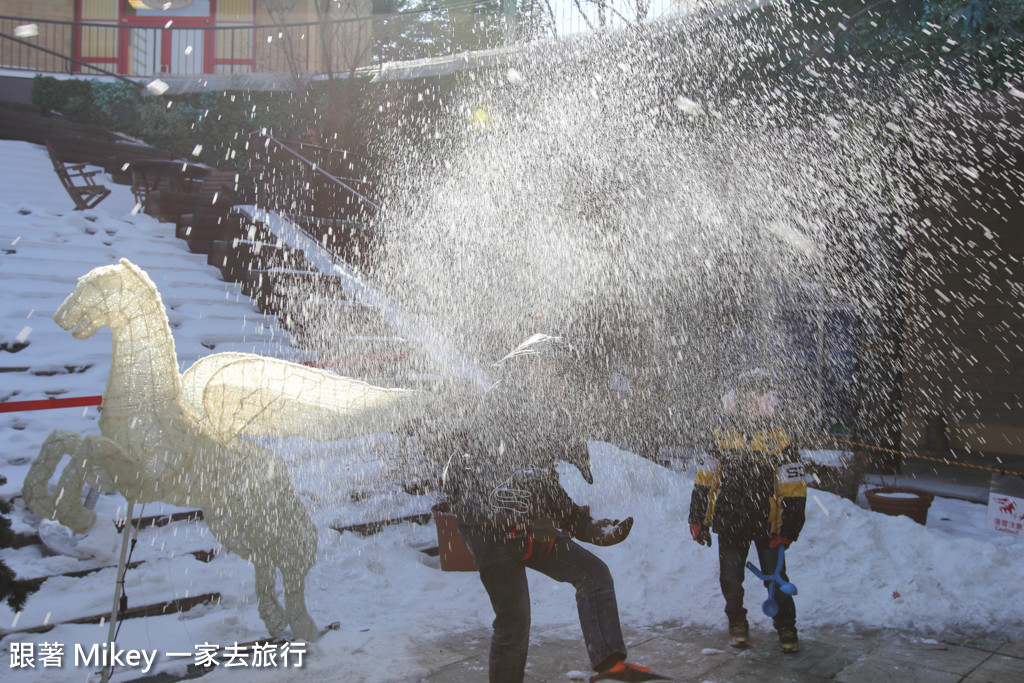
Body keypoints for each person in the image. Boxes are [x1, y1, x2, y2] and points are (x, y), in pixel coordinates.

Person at [440, 334, 669, 682]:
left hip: (524, 524)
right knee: (513, 620)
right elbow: (480, 475)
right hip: (487, 527)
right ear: (529, 368)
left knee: (594, 575)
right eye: (557, 372)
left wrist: (585, 525)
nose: (563, 381)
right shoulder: (501, 404)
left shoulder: (542, 413)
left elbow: (543, 486)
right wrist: (501, 514)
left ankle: (610, 667)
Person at [688, 369, 807, 653]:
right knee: (731, 578)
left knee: (777, 578)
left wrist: (790, 528)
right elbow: (706, 479)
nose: (750, 404)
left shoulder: (782, 438)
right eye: (744, 398)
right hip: (730, 521)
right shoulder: (721, 436)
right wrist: (697, 519)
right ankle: (737, 624)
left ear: (768, 401)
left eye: (757, 398)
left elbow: (795, 488)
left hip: (769, 525)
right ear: (735, 401)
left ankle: (786, 626)